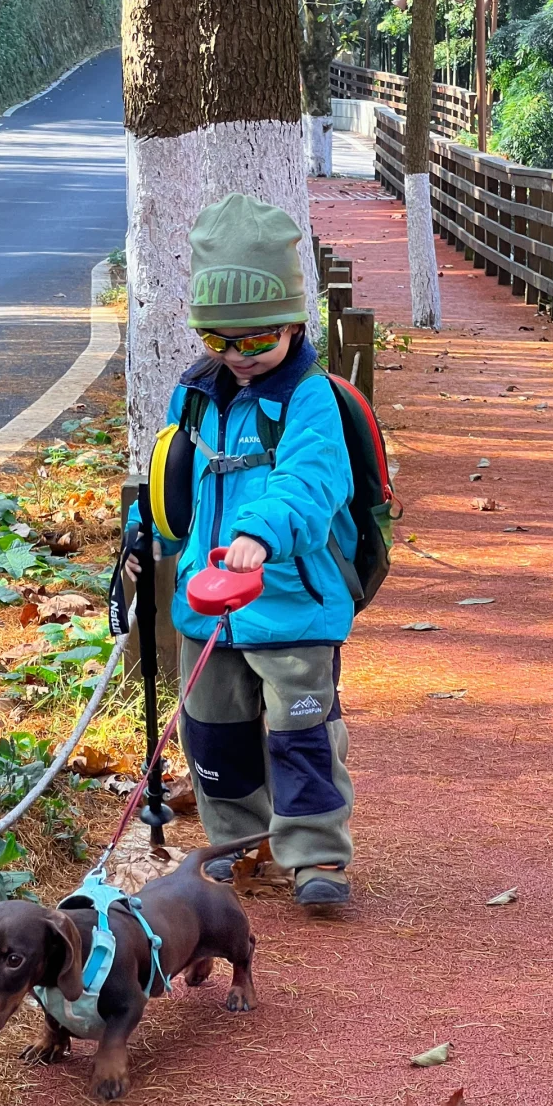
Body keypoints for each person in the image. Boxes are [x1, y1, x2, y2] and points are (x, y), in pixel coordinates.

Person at [125, 192, 356, 906]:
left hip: (290, 603)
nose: (238, 357)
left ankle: (315, 856)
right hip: (206, 602)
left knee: (301, 733)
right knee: (213, 731)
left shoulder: (311, 399)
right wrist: (149, 539)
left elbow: (309, 481)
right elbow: (177, 486)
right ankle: (235, 841)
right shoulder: (194, 396)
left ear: (293, 323)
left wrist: (260, 533)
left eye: (257, 341)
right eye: (218, 339)